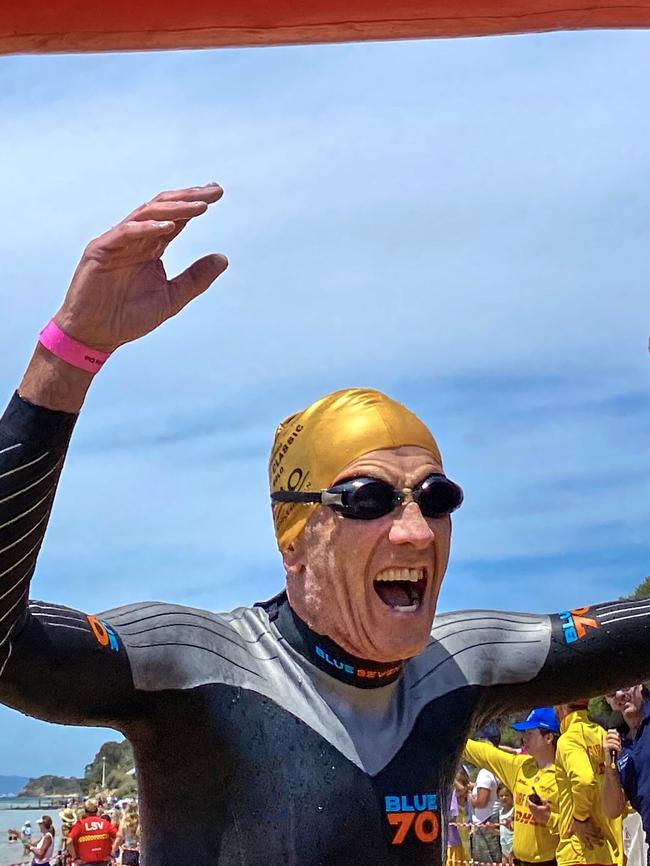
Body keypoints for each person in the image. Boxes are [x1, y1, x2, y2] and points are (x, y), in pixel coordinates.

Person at [2, 185, 650, 865]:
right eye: (368, 500)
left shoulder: (458, 667)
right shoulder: (197, 667)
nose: (417, 532)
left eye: (437, 498)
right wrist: (67, 354)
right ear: (295, 542)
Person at [463, 707, 561, 866]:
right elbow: (486, 754)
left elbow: (575, 826)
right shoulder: (521, 766)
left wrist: (549, 818)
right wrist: (455, 740)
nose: (524, 739)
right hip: (518, 861)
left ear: (549, 737)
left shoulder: (562, 776)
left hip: (549, 862)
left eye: (530, 733)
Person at [553, 701, 622, 866]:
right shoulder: (603, 734)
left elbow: (584, 780)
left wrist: (580, 818)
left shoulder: (568, 740)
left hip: (580, 850)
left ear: (560, 706)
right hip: (608, 849)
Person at [601, 685, 650, 862]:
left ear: (640, 685)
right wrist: (609, 769)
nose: (620, 695)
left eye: (625, 686)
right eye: (612, 693)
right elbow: (612, 810)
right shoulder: (617, 743)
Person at [469, 725, 503, 866]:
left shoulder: (485, 772)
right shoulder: (497, 766)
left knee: (484, 861)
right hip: (494, 819)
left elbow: (482, 801)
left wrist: (470, 797)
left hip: (484, 822)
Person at [67, 799, 117, 866]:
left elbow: (69, 842)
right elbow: (119, 837)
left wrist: (75, 858)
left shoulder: (80, 825)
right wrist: (111, 853)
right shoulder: (105, 823)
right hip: (103, 861)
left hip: (85, 862)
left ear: (85, 811)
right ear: (97, 810)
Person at [448, 767, 473, 866]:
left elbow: (463, 788)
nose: (456, 791)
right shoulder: (452, 805)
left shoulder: (469, 802)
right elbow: (461, 788)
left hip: (467, 844)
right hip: (455, 844)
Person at [498, 784, 515, 866]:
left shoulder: (514, 810)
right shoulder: (500, 812)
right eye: (501, 796)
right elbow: (501, 832)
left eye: (506, 795)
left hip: (513, 847)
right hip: (504, 847)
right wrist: (491, 829)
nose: (504, 798)